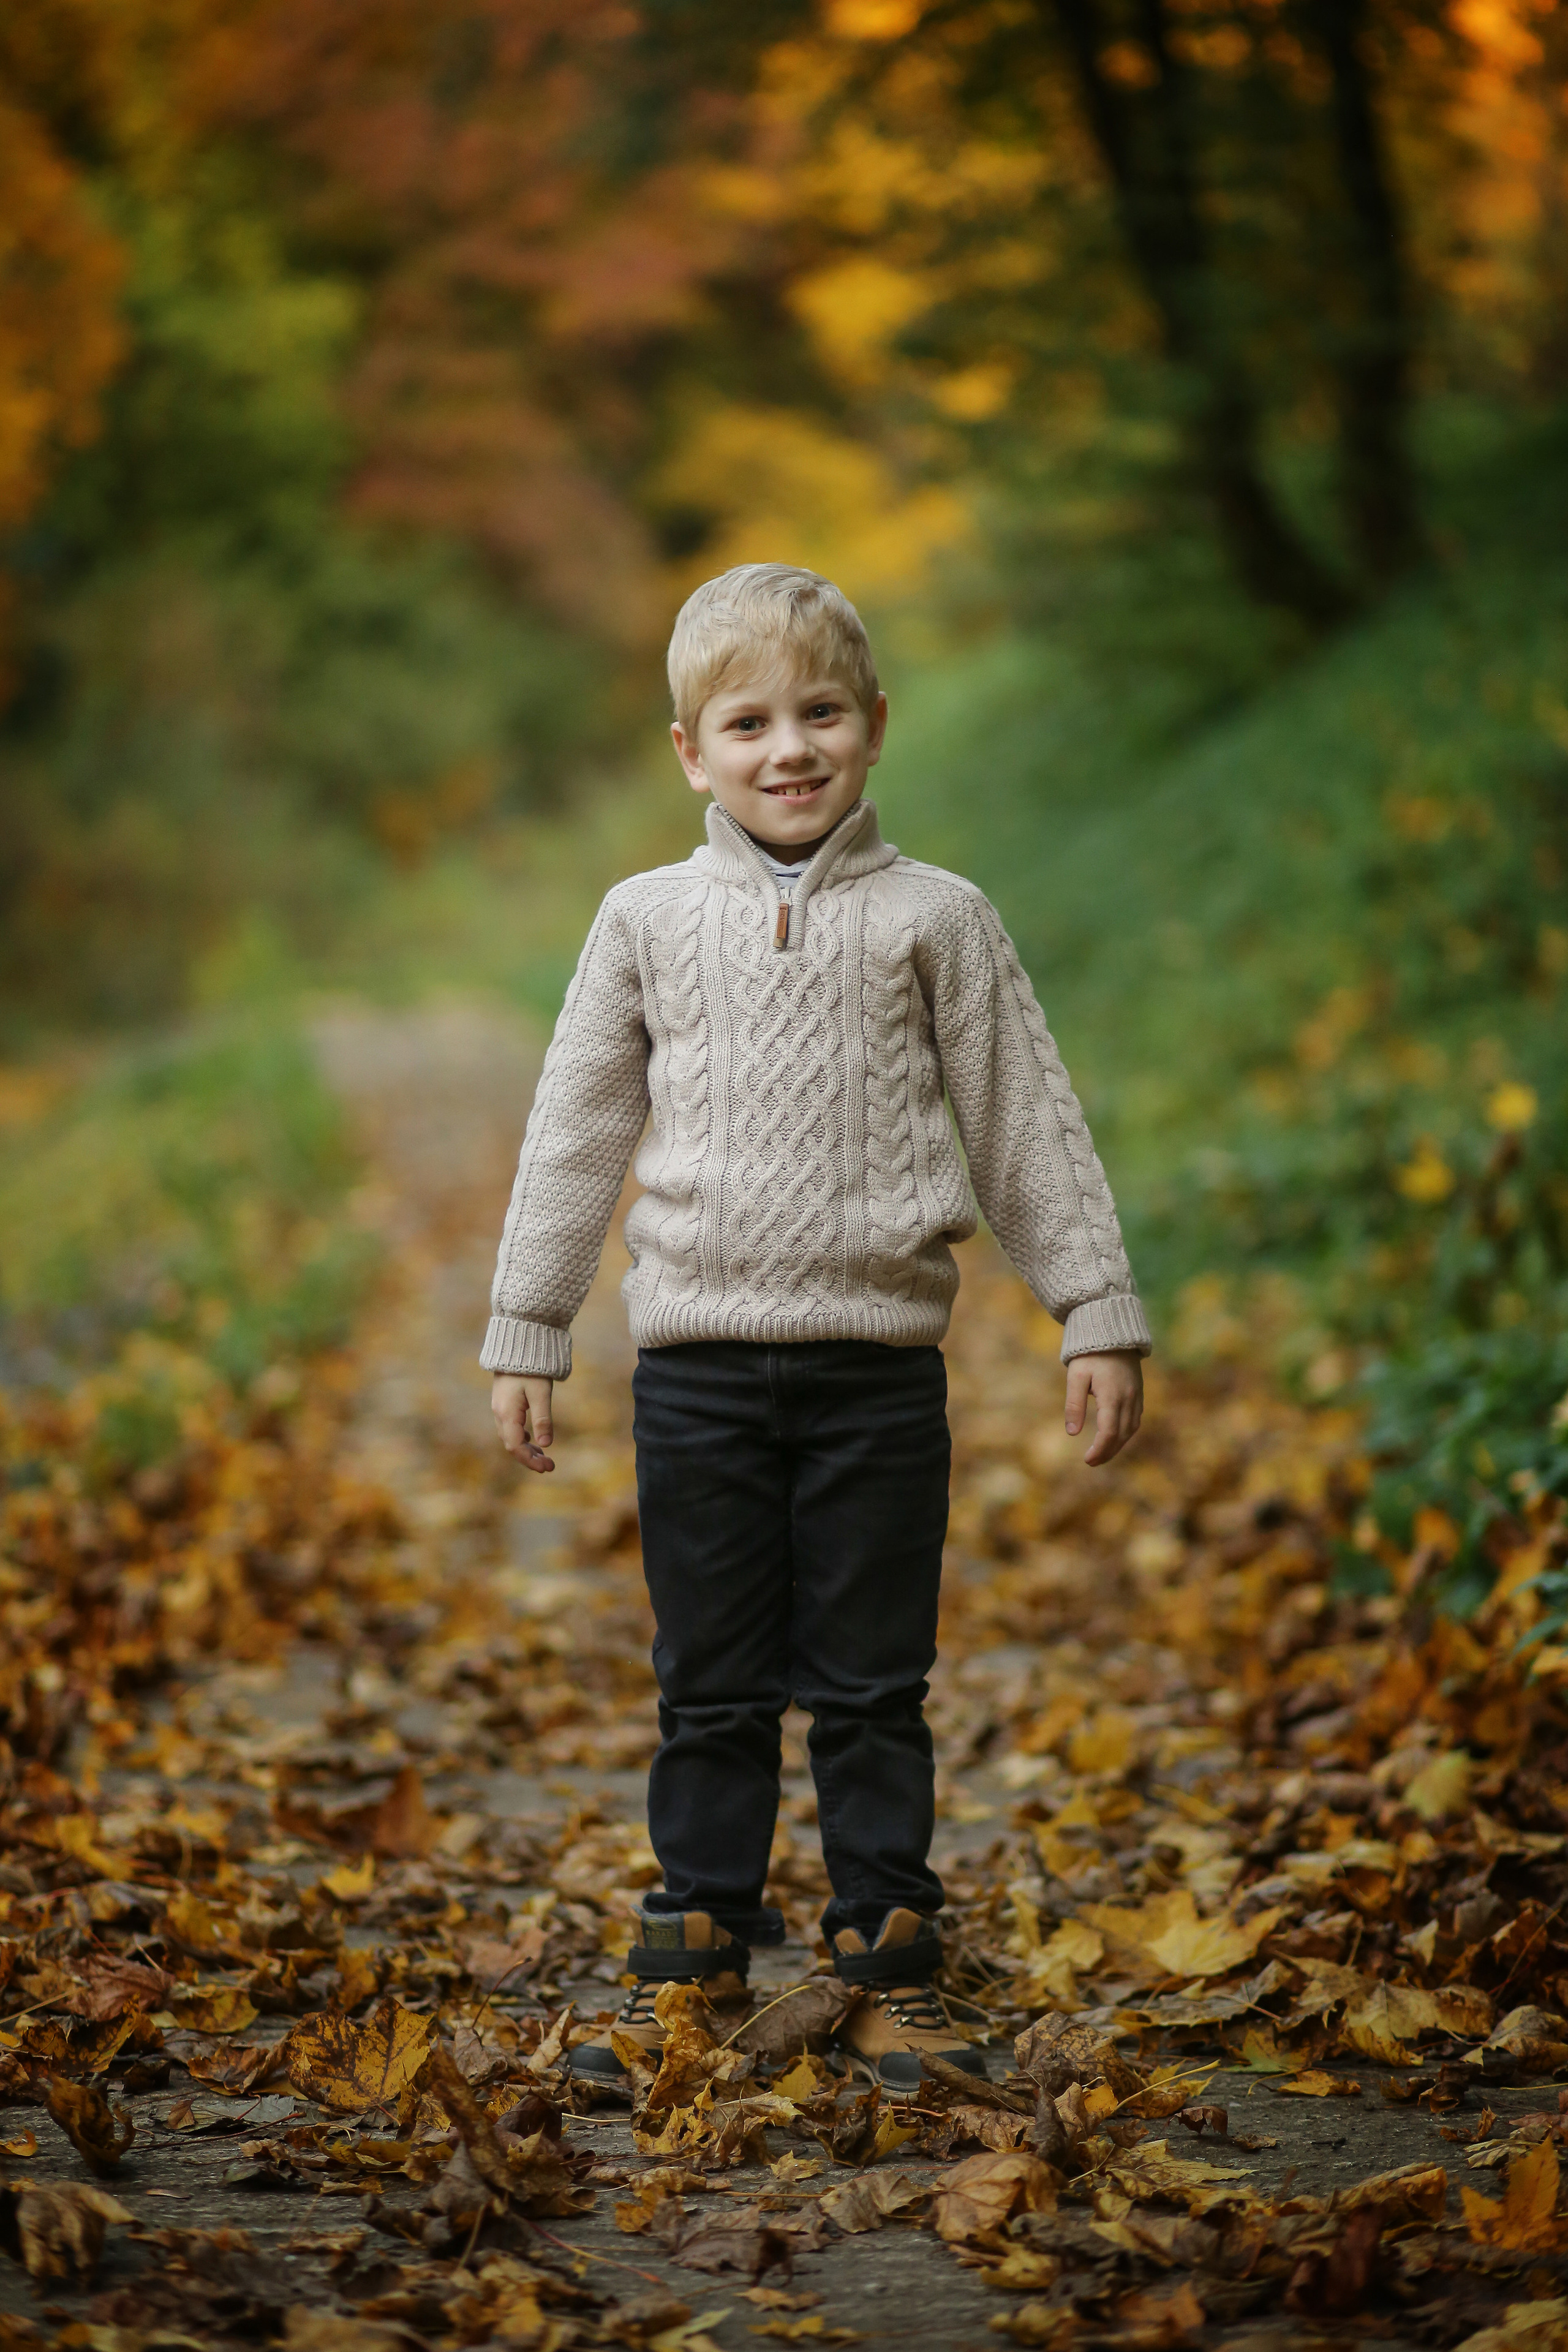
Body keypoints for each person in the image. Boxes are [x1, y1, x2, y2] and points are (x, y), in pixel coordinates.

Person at [484, 562, 1150, 2091]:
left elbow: (1021, 1122)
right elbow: (574, 1128)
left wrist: (1092, 1307)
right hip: (696, 1374)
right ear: (689, 751)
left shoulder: (939, 919)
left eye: (820, 713)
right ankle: (701, 1930)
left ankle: (884, 1938)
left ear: (873, 727)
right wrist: (530, 1323)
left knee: (868, 1678)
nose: (787, 748)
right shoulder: (643, 920)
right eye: (747, 722)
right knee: (706, 1675)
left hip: (874, 1372)